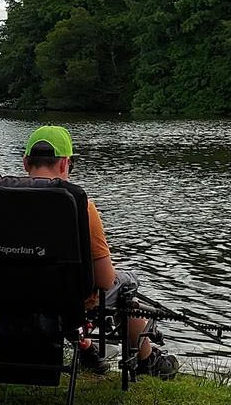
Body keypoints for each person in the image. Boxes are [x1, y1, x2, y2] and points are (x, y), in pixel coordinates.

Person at [20, 125, 179, 379]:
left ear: (26, 162)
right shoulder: (80, 207)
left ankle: (89, 351)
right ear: (65, 163)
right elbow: (104, 280)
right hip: (68, 304)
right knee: (126, 283)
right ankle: (147, 360)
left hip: (9, 298)